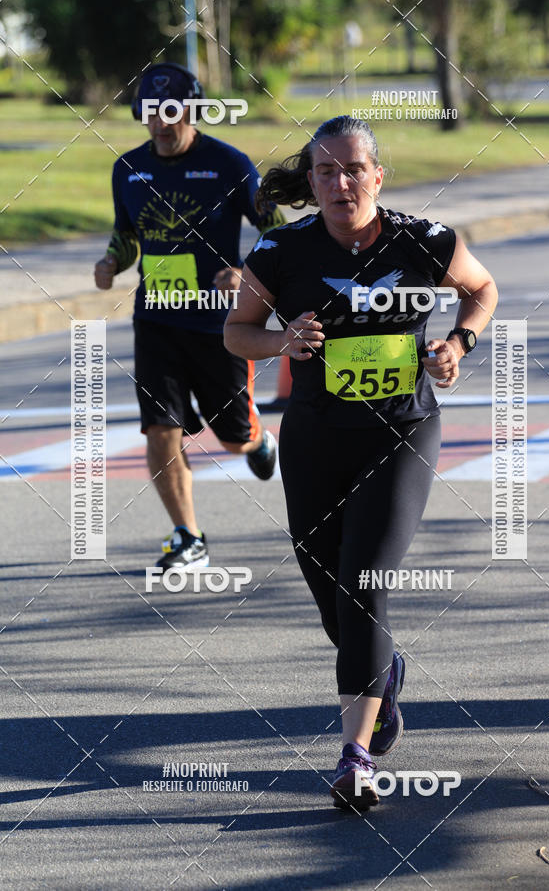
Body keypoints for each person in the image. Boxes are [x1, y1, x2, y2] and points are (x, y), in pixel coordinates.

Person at [224, 115, 498, 811]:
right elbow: (236, 334)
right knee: (333, 599)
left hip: (401, 434)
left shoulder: (423, 239)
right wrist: (281, 341)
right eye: (325, 172)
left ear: (378, 175)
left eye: (353, 169)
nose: (341, 183)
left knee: (363, 585)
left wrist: (458, 345)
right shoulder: (283, 250)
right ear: (312, 183)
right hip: (316, 434)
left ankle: (355, 758)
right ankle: (385, 673)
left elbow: (481, 289)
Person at [94, 63, 286, 572]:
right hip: (156, 320)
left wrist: (244, 272)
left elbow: (276, 232)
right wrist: (113, 260)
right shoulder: (128, 169)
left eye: (172, 112)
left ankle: (258, 440)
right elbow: (128, 233)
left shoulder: (230, 165)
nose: (162, 123)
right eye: (152, 113)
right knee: (161, 429)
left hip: (218, 326)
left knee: (231, 436)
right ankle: (188, 535)